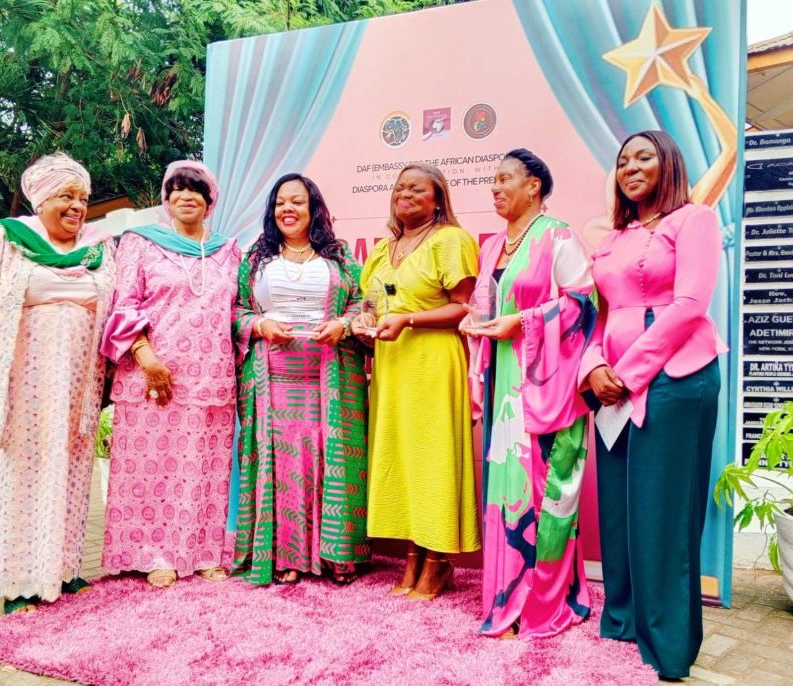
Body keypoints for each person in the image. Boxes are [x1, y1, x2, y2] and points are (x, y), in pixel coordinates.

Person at [578, 130, 726, 678]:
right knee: (618, 508)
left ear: (668, 164)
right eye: (623, 161)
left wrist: (628, 373)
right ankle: (622, 621)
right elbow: (600, 313)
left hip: (676, 380)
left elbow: (689, 305)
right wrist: (594, 367)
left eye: (644, 157)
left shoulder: (694, 219)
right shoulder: (614, 238)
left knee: (663, 512)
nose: (631, 168)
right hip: (613, 386)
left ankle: (668, 646)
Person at [0, 153, 116, 613]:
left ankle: (63, 569)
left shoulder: (99, 248)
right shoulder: (5, 239)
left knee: (72, 473)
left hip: (78, 385)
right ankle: (19, 582)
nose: (77, 206)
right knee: (21, 476)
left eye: (83, 197)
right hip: (23, 384)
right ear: (41, 199)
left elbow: (116, 313)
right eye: (66, 196)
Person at [462, 149, 595, 638]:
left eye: (505, 179)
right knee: (508, 495)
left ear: (534, 185)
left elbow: (584, 306)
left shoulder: (558, 236)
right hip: (504, 386)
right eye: (493, 181)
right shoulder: (493, 247)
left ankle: (545, 603)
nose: (495, 188)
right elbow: (486, 306)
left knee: (546, 495)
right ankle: (507, 597)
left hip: (547, 388)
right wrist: (475, 324)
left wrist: (523, 322)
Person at [100, 160, 241, 589]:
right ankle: (153, 553)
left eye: (195, 189)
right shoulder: (141, 244)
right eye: (176, 189)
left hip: (211, 377)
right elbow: (124, 304)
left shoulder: (228, 250)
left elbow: (236, 310)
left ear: (210, 201)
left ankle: (204, 552)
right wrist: (147, 359)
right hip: (152, 376)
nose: (185, 196)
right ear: (166, 198)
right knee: (152, 469)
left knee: (205, 468)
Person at [231, 173, 369, 586]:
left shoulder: (340, 256)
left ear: (313, 209)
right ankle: (287, 555)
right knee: (283, 462)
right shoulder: (256, 258)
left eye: (297, 201)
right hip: (272, 380)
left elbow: (363, 303)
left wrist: (343, 325)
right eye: (280, 203)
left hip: (331, 378)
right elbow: (236, 310)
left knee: (327, 458)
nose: (287, 209)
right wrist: (259, 325)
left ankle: (336, 556)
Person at [352, 163, 479, 601]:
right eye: (399, 187)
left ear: (438, 199)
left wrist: (408, 320)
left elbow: (463, 308)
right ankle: (412, 558)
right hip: (392, 365)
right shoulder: (382, 249)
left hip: (433, 362)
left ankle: (438, 562)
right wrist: (363, 324)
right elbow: (370, 304)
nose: (404, 194)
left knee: (432, 460)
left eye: (416, 189)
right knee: (404, 460)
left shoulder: (451, 240)